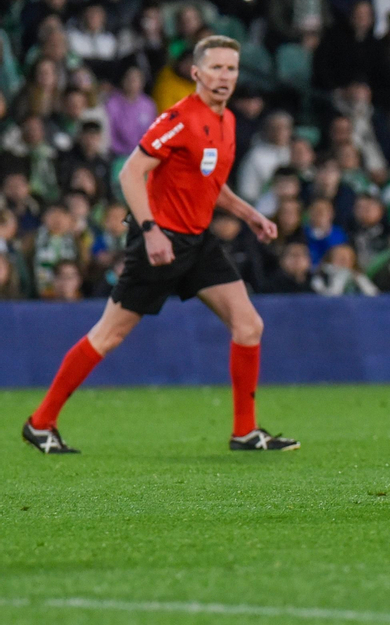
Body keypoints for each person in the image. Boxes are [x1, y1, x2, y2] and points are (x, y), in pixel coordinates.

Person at [23, 36, 298, 454]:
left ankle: (245, 431)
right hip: (161, 240)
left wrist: (250, 215)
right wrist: (150, 230)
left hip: (197, 241)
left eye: (232, 69)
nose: (225, 76)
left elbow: (210, 182)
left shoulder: (226, 121)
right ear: (196, 73)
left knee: (249, 326)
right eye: (217, 68)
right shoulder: (180, 117)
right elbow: (130, 173)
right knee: (109, 334)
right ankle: (41, 423)